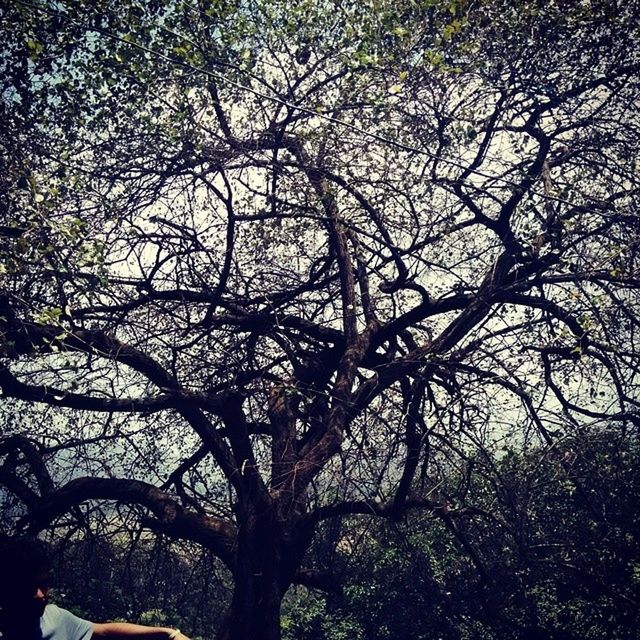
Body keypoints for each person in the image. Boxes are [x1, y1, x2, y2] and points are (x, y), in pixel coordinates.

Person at [0, 536, 191, 640]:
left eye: (45, 584)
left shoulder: (56, 619)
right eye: (29, 587)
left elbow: (105, 631)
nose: (41, 595)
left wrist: (169, 634)